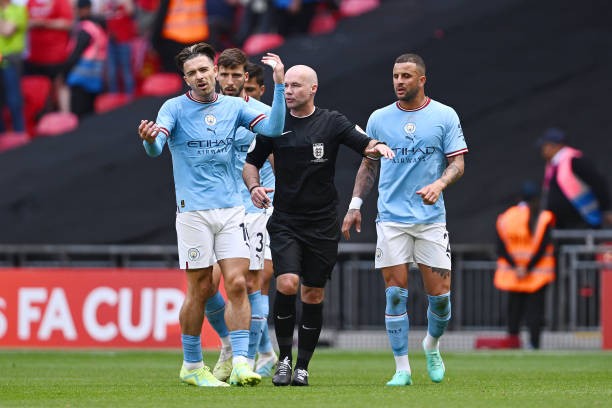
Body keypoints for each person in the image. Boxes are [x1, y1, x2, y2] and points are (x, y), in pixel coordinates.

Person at [138, 42, 286, 387]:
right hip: (194, 214)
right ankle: (192, 365)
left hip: (233, 208)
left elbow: (275, 129)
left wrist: (279, 86)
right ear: (186, 78)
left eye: (204, 70)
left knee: (238, 283)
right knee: (201, 290)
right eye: (192, 73)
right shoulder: (173, 108)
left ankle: (241, 362)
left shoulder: (235, 107)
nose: (199, 77)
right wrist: (147, 140)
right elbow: (156, 147)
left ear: (213, 71)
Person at [244, 64, 394, 386]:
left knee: (312, 293)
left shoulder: (332, 121)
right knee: (286, 284)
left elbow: (362, 143)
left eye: (296, 85)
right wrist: (254, 187)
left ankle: (303, 366)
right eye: (286, 86)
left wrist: (377, 147)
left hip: (323, 223)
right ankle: (283, 359)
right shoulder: (275, 124)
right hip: (285, 220)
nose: (289, 91)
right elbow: (251, 163)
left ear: (313, 89)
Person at [342, 53, 468, 386]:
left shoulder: (444, 116)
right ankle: (402, 369)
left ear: (422, 80)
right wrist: (355, 204)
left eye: (407, 76)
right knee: (395, 294)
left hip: (430, 220)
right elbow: (368, 166)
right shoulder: (379, 119)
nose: (400, 82)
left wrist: (439, 184)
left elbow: (457, 163)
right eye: (396, 76)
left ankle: (432, 344)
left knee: (440, 301)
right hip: (392, 220)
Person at [202, 47, 278, 382]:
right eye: (226, 75)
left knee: (250, 282)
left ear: (246, 78)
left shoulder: (261, 114)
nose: (231, 81)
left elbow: (279, 157)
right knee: (205, 287)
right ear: (216, 75)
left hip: (256, 207)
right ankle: (231, 344)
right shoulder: (202, 113)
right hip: (218, 207)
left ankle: (245, 356)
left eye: (237, 76)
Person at [494, 181, 556, 350]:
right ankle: (534, 345)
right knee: (535, 313)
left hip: (513, 274)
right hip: (537, 274)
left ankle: (513, 343)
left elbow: (501, 248)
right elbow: (544, 247)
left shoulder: (506, 217)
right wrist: (527, 268)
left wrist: (517, 266)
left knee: (514, 311)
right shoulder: (543, 217)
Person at [538, 127, 612, 229]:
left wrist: (606, 209)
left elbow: (598, 182)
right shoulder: (553, 165)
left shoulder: (574, 160)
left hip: (583, 220)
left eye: (545, 146)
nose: (543, 150)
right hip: (562, 223)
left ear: (556, 145)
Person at [64, 0, 108, 118]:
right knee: (90, 114)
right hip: (95, 76)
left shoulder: (86, 28)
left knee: (79, 114)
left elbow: (77, 52)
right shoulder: (98, 26)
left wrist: (64, 70)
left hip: (80, 78)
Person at [0, 0, 27, 134]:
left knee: (14, 98)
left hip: (10, 58)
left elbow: (7, 31)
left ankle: (19, 133)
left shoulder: (18, 10)